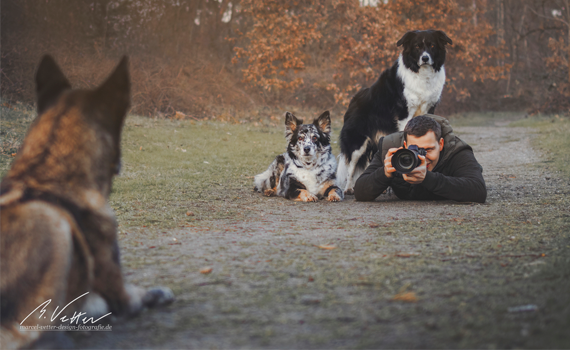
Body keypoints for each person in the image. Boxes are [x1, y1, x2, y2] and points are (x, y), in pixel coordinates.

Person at [353, 114, 486, 203]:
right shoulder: (391, 148)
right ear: (405, 145)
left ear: (440, 144)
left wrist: (428, 178)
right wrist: (384, 173)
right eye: (415, 150)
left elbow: (478, 191)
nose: (422, 157)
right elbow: (360, 192)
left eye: (428, 150)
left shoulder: (456, 151)